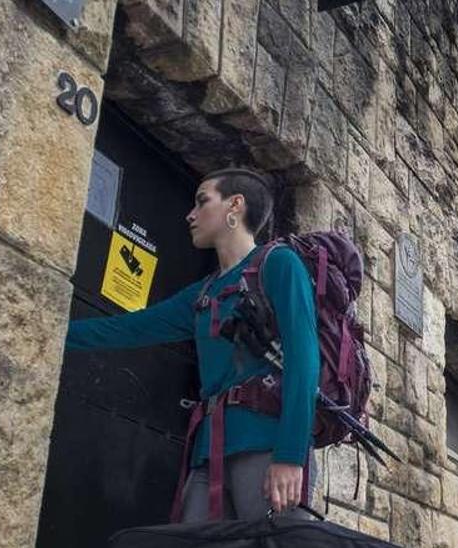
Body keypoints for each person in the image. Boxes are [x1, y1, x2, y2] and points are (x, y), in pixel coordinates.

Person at [65, 167, 320, 522]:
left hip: (266, 447)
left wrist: (291, 455)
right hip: (209, 452)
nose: (191, 213)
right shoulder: (203, 295)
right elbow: (131, 328)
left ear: (235, 206)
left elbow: (305, 363)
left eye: (202, 202)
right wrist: (55, 330)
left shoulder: (278, 264)